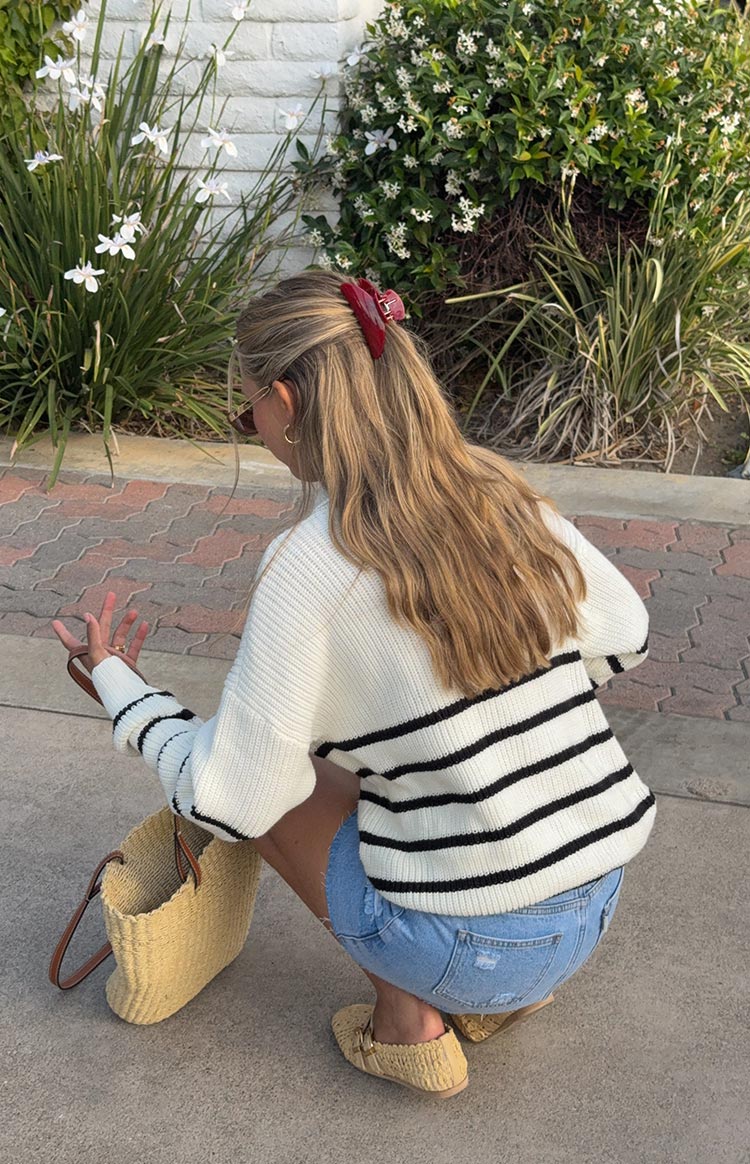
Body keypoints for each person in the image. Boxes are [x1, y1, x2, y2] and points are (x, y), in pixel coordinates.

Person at [52, 268, 655, 1099]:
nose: (252, 423)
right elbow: (626, 635)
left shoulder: (311, 564)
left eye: (248, 404)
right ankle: (494, 985)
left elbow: (233, 798)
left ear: (288, 404)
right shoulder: (494, 487)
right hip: (595, 907)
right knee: (364, 767)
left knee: (281, 791)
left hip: (475, 953)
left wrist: (121, 689)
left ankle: (410, 1024)